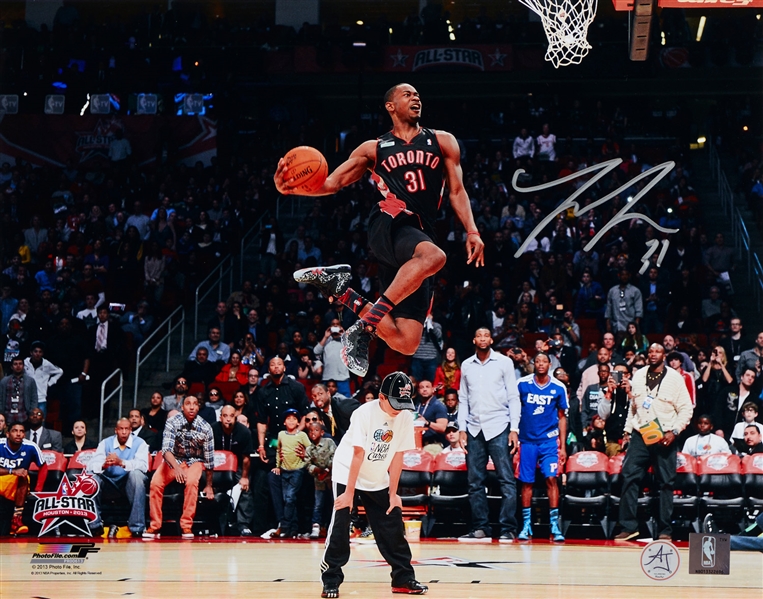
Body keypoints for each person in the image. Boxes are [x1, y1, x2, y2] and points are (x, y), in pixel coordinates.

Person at [284, 83, 484, 377]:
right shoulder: (373, 148)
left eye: (418, 94)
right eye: (408, 94)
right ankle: (365, 327)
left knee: (407, 342)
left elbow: (457, 190)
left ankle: (344, 291)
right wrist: (293, 188)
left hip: (419, 237)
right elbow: (330, 184)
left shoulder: (442, 141)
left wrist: (472, 231)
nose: (416, 97)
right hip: (390, 220)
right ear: (391, 106)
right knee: (435, 258)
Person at [320, 371, 427, 598]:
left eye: (403, 403)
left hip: (376, 473)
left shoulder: (406, 416)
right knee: (341, 522)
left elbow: (398, 456)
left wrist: (393, 493)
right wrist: (349, 495)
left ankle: (403, 578)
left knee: (392, 522)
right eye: (395, 403)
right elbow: (357, 455)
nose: (399, 408)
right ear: (382, 397)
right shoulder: (363, 414)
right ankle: (331, 578)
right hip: (347, 470)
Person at [615, 344, 693, 541]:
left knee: (666, 483)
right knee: (629, 476)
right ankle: (629, 526)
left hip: (664, 434)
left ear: (664, 355)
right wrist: (627, 431)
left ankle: (665, 530)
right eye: (650, 352)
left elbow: (686, 409)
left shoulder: (675, 379)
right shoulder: (639, 375)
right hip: (641, 433)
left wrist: (675, 431)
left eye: (657, 352)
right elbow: (633, 406)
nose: (653, 355)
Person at [458, 327, 520, 542]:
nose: (483, 338)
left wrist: (514, 429)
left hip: (499, 426)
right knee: (475, 482)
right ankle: (481, 528)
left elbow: (513, 397)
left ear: (491, 340)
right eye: (479, 336)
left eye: (486, 335)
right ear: (474, 339)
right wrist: (461, 429)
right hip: (474, 427)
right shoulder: (466, 365)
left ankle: (507, 528)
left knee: (506, 480)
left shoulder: (504, 362)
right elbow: (463, 399)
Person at [144, 395, 215, 540]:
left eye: (195, 404)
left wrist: (209, 485)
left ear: (198, 407)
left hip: (195, 461)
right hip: (173, 461)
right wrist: (176, 468)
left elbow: (209, 460)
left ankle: (186, 525)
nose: (191, 407)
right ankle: (155, 526)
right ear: (182, 407)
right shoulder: (172, 422)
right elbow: (166, 450)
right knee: (155, 483)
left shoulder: (206, 427)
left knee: (191, 483)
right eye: (188, 404)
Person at [516, 352, 568, 542]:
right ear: (533, 364)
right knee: (527, 482)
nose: (540, 364)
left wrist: (562, 446)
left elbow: (563, 417)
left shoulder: (558, 387)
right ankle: (526, 525)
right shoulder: (522, 384)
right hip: (527, 441)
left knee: (551, 479)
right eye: (537, 361)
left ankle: (554, 525)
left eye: (544, 361)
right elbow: (513, 408)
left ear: (550, 364)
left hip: (549, 442)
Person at [87, 417, 149, 538]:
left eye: (127, 429)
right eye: (121, 429)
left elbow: (143, 466)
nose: (124, 432)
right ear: (116, 430)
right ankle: (95, 525)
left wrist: (122, 462)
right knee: (92, 478)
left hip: (128, 483)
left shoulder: (140, 443)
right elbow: (91, 465)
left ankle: (137, 527)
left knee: (136, 475)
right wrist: (103, 465)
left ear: (131, 430)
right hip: (108, 483)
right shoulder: (105, 443)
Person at [212, 405, 254, 536]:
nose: (228, 419)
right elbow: (207, 453)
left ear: (235, 418)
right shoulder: (213, 429)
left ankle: (243, 524)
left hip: (239, 465)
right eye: (225, 416)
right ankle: (214, 524)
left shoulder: (244, 432)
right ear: (220, 417)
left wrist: (244, 477)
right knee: (211, 490)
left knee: (245, 489)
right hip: (216, 464)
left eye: (231, 416)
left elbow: (246, 458)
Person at [0, 421, 48, 535]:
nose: (18, 434)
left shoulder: (31, 446)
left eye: (21, 431)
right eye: (15, 431)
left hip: (17, 484)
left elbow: (44, 466)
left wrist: (38, 489)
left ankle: (16, 519)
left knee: (23, 476)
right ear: (7, 434)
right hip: (2, 480)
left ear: (24, 435)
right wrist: (12, 471)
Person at [269, 408, 310, 539]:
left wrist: (305, 458)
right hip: (285, 470)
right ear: (284, 422)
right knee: (288, 499)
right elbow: (278, 450)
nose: (291, 421)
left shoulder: (302, 435)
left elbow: (310, 449)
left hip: (297, 470)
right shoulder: (281, 434)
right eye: (288, 419)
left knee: (290, 498)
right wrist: (278, 466)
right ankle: (292, 528)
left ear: (298, 422)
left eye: (294, 419)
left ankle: (285, 527)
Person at [305, 420, 336, 539]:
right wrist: (317, 470)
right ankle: (316, 527)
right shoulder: (309, 449)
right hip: (319, 480)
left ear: (322, 432)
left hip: (332, 478)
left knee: (333, 503)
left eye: (316, 430)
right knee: (318, 504)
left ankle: (334, 527)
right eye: (311, 431)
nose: (313, 433)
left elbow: (335, 456)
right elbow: (308, 464)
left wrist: (328, 470)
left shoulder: (329, 442)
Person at [24, 341, 63, 420]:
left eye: (40, 352)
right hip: (27, 398)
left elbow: (60, 371)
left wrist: (50, 383)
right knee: (27, 421)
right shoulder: (25, 363)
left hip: (41, 398)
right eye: (35, 351)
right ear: (31, 352)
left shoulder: (46, 364)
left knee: (41, 421)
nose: (38, 354)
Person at [314, 319, 352, 398]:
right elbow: (316, 351)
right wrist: (325, 336)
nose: (335, 325)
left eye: (337, 324)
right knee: (325, 401)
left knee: (346, 403)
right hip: (327, 378)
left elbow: (352, 351)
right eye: (333, 324)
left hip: (342, 378)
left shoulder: (344, 340)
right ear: (330, 327)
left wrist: (344, 336)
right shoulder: (326, 340)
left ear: (340, 326)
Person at [0, 356, 38, 425]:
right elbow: (1, 397)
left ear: (23, 366)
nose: (18, 366)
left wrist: (31, 412)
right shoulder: (4, 381)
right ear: (11, 367)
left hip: (24, 416)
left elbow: (34, 397)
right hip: (8, 416)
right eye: (15, 364)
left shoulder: (30, 381)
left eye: (20, 364)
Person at [413, 379, 448, 450]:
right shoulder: (417, 405)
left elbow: (443, 428)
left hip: (434, 444)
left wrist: (427, 423)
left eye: (427, 387)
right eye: (422, 387)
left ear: (432, 389)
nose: (425, 389)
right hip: (418, 443)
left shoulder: (438, 405)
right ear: (419, 390)